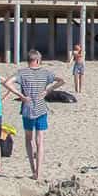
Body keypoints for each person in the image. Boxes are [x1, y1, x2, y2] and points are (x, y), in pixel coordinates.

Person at [11, 49, 64, 180]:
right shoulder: (45, 73)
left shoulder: (22, 73)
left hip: (27, 109)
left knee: (28, 139)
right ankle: (39, 172)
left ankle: (33, 169)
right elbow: (61, 80)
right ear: (38, 60)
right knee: (40, 141)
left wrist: (20, 96)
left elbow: (7, 82)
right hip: (41, 108)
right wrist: (48, 90)